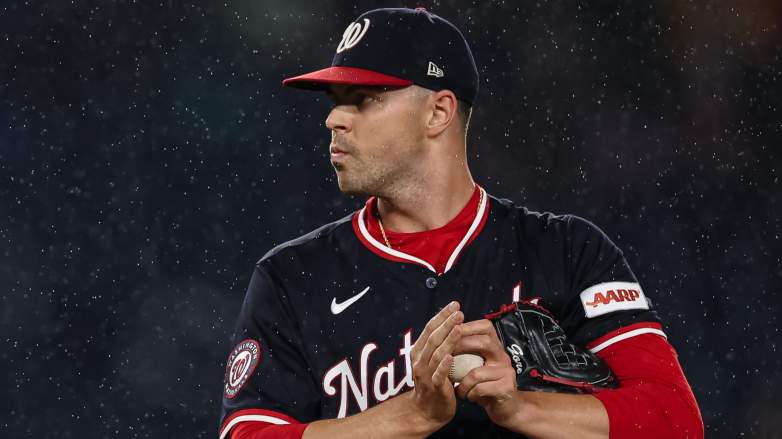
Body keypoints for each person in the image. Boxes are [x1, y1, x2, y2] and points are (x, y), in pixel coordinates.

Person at [218, 7, 703, 439]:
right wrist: (411, 417)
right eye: (335, 99)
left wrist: (521, 408)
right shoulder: (293, 277)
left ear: (439, 112)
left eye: (363, 98)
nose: (335, 120)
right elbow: (247, 433)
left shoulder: (566, 250)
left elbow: (675, 420)